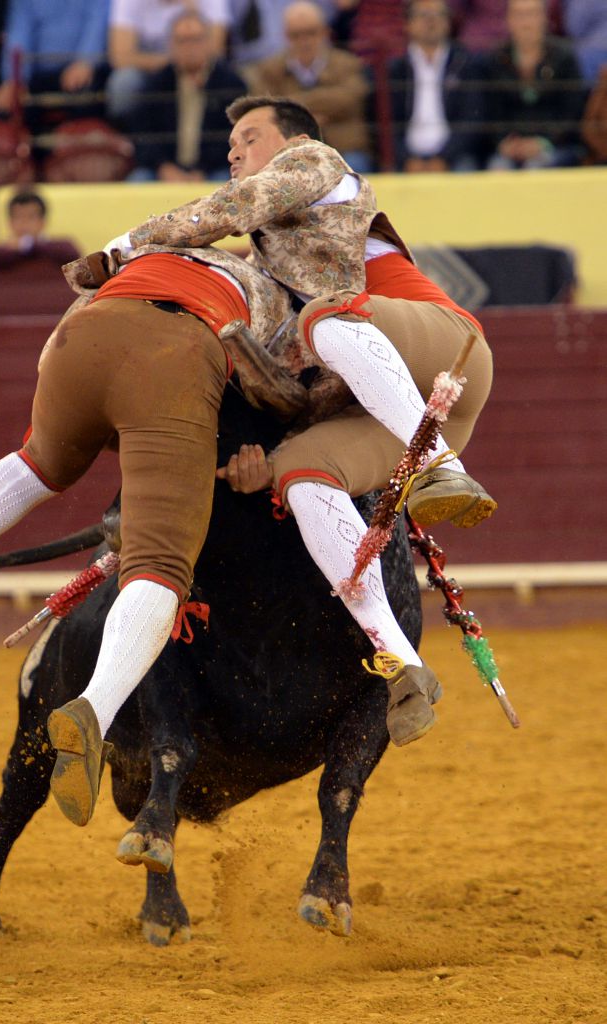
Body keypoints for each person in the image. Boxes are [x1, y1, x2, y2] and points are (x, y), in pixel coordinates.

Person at [0, 240, 295, 828]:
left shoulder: (145, 251)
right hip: (174, 356)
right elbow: (276, 388)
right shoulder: (268, 288)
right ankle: (94, 707)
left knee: (35, 462)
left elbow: (58, 338)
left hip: (79, 338)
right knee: (160, 562)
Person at [105, 95, 495, 747]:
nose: (233, 152)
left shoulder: (316, 165)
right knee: (303, 475)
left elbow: (228, 210)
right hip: (383, 405)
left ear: (290, 141)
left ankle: (441, 469)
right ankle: (400, 659)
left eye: (248, 137)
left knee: (325, 315)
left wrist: (124, 246)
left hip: (443, 349)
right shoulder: (270, 267)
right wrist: (256, 465)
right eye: (228, 144)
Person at [127, 10, 246, 182]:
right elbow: (142, 134)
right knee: (138, 181)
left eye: (196, 39)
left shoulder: (230, 84)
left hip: (214, 169)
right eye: (182, 41)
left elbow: (233, 136)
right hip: (164, 169)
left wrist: (202, 171)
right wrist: (164, 167)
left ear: (208, 43)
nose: (189, 47)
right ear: (171, 45)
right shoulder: (156, 84)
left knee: (230, 181)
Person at [255, 0, 373, 171]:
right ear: (285, 36)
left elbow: (350, 99)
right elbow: (264, 109)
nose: (304, 41)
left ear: (325, 32)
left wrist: (293, 108)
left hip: (343, 149)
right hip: (288, 155)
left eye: (311, 33)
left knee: (355, 166)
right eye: (296, 35)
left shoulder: (347, 64)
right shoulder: (270, 70)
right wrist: (319, 109)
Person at [481, 0, 588, 170]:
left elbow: (572, 113)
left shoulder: (564, 58)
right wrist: (505, 142)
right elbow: (489, 112)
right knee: (498, 167)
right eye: (519, 15)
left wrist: (543, 142)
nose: (526, 22)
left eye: (532, 14)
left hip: (557, 145)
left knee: (536, 166)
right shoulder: (496, 60)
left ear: (545, 18)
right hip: (510, 148)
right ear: (508, 20)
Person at [388, 0, 485, 172]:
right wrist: (406, 159)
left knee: (468, 169)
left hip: (455, 157)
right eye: (423, 15)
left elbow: (471, 118)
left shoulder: (464, 64)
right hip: (406, 159)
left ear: (448, 22)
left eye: (437, 15)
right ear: (408, 24)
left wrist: (444, 157)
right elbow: (386, 124)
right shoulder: (394, 70)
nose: (430, 21)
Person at [106, 0, 230, 121]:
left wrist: (193, 11)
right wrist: (175, 61)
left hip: (199, 68)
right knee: (125, 81)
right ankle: (128, 132)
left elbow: (215, 49)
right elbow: (120, 58)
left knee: (219, 78)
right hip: (149, 71)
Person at [0, 190, 80, 269]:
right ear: (10, 223)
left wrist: (27, 244)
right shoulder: (4, 251)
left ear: (42, 222)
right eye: (18, 217)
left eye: (31, 217)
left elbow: (72, 254)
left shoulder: (57, 249)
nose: (24, 222)